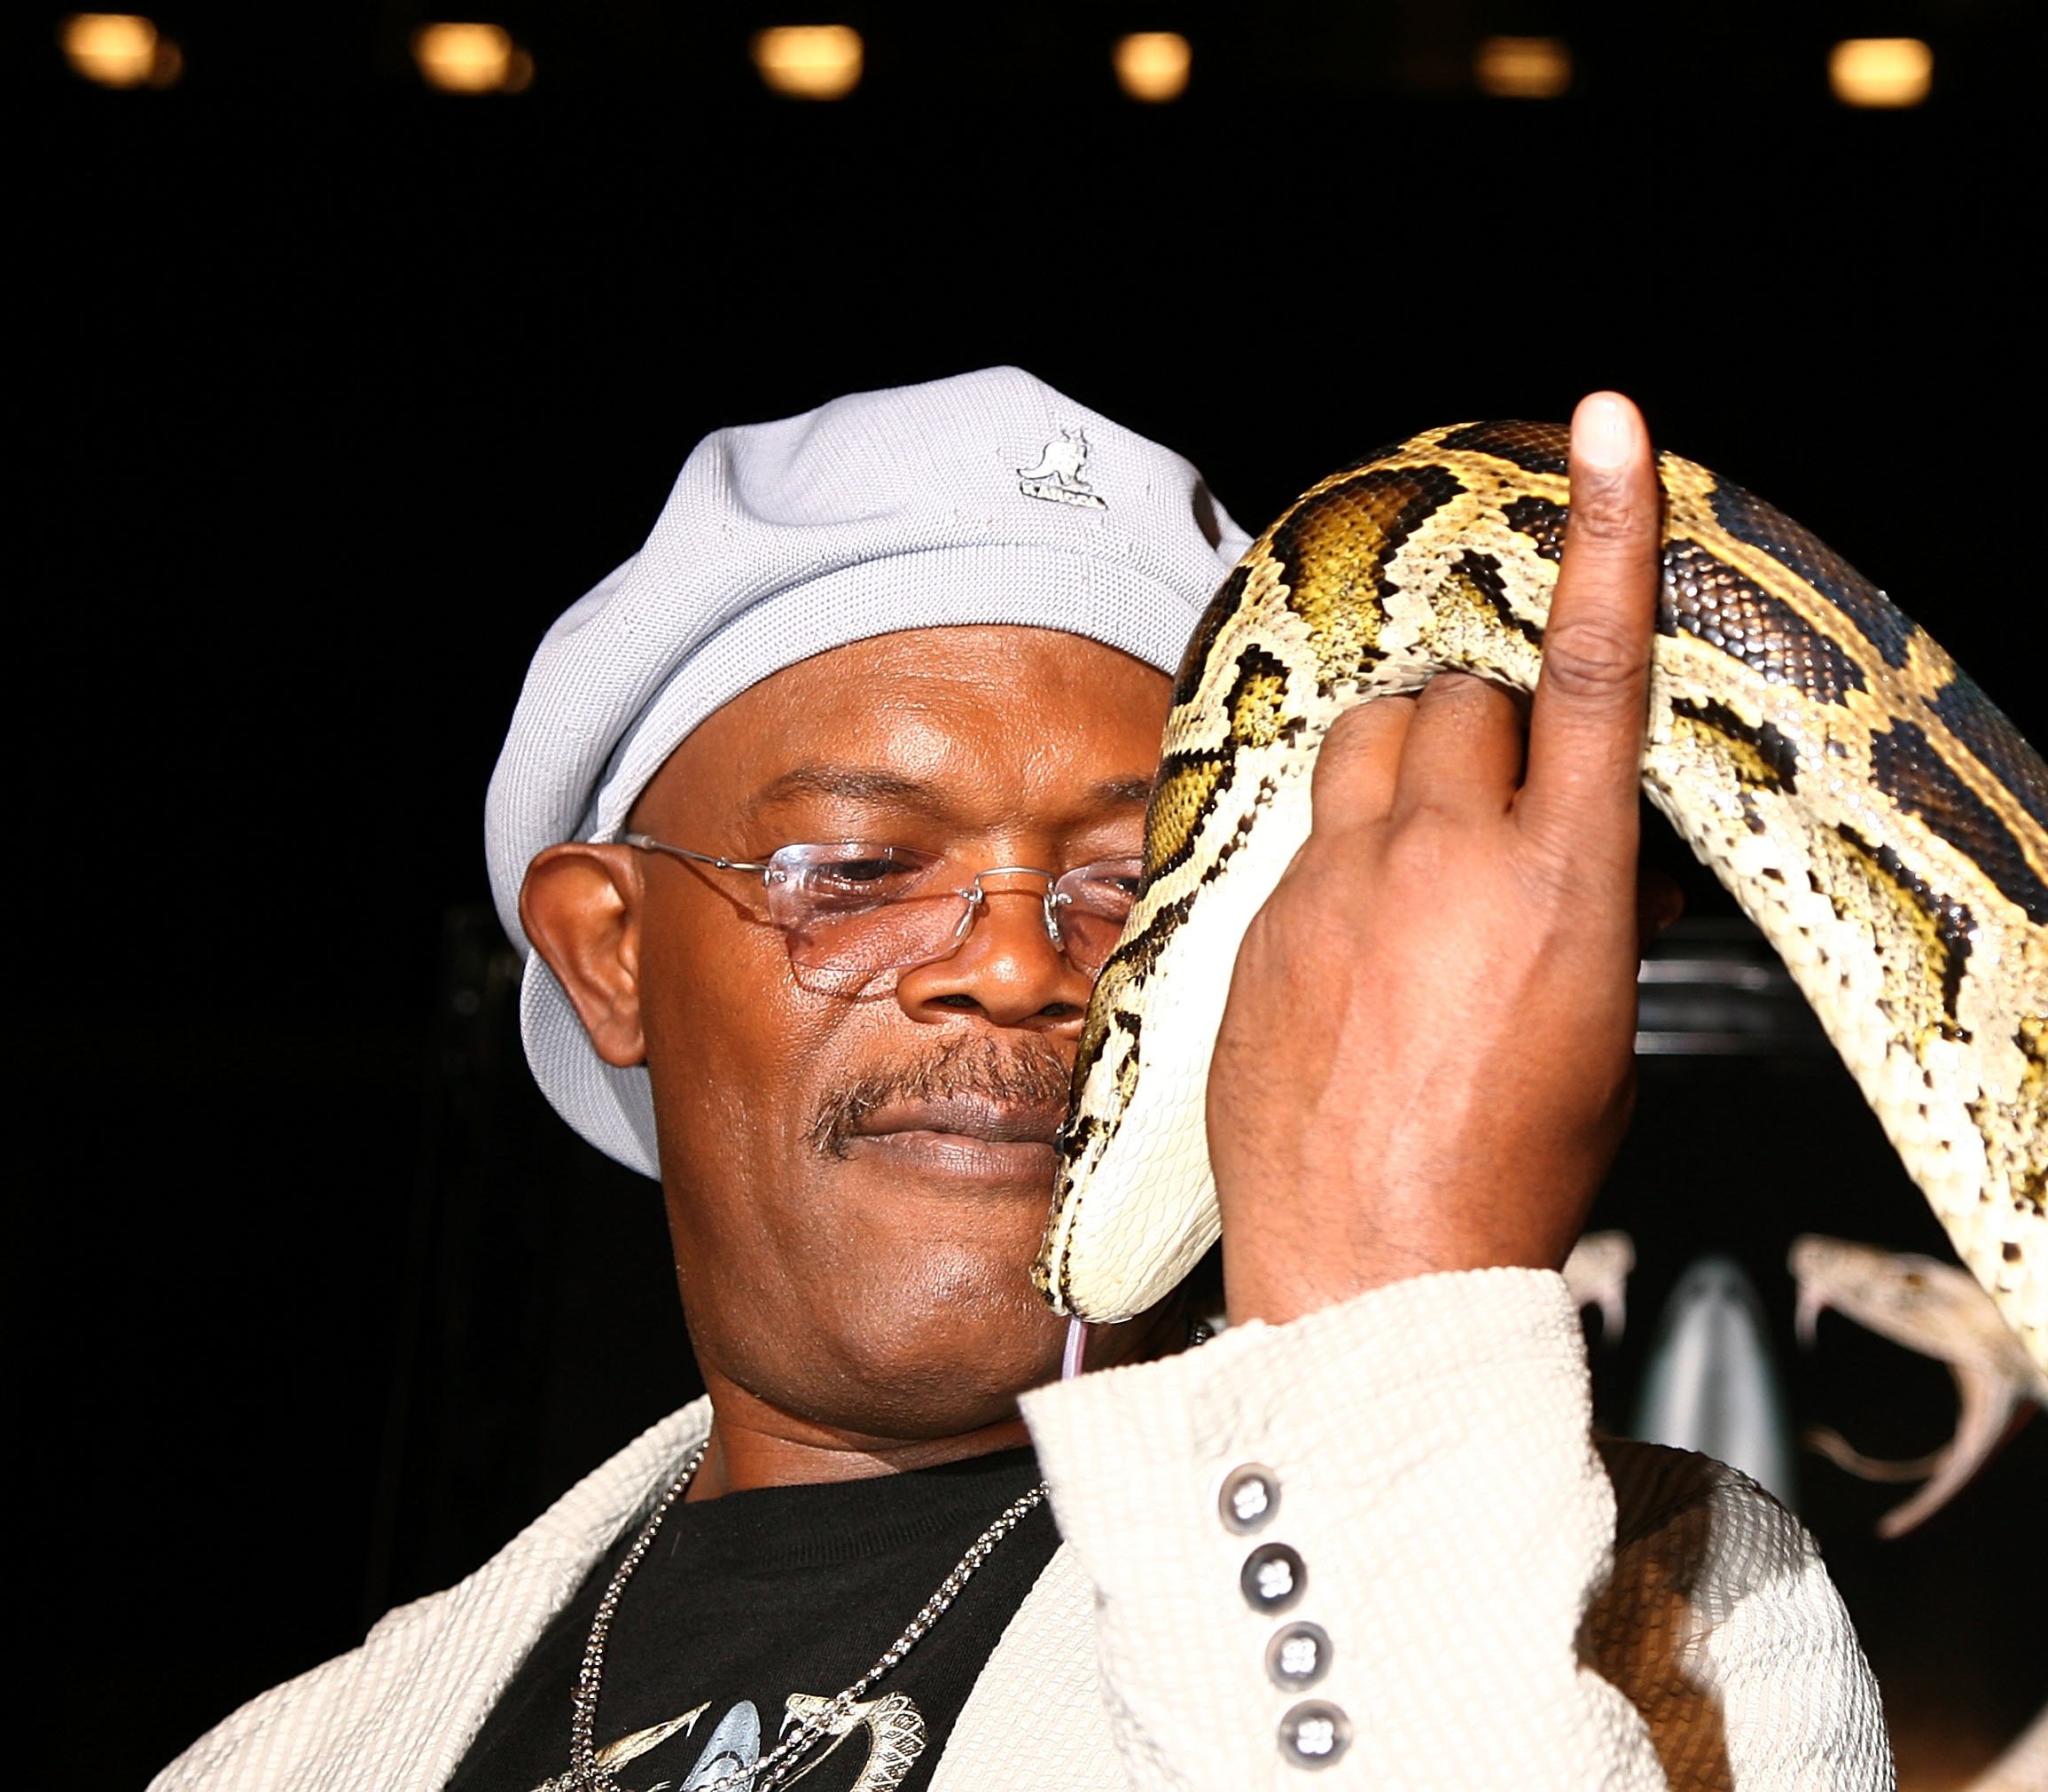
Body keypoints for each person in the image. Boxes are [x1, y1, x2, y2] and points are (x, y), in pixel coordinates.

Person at [155, 368, 1889, 1792]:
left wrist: (1382, 1313)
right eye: (854, 867)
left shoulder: (1673, 1596)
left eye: (1129, 889)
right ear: (608, 949)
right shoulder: (287, 1762)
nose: (1009, 963)